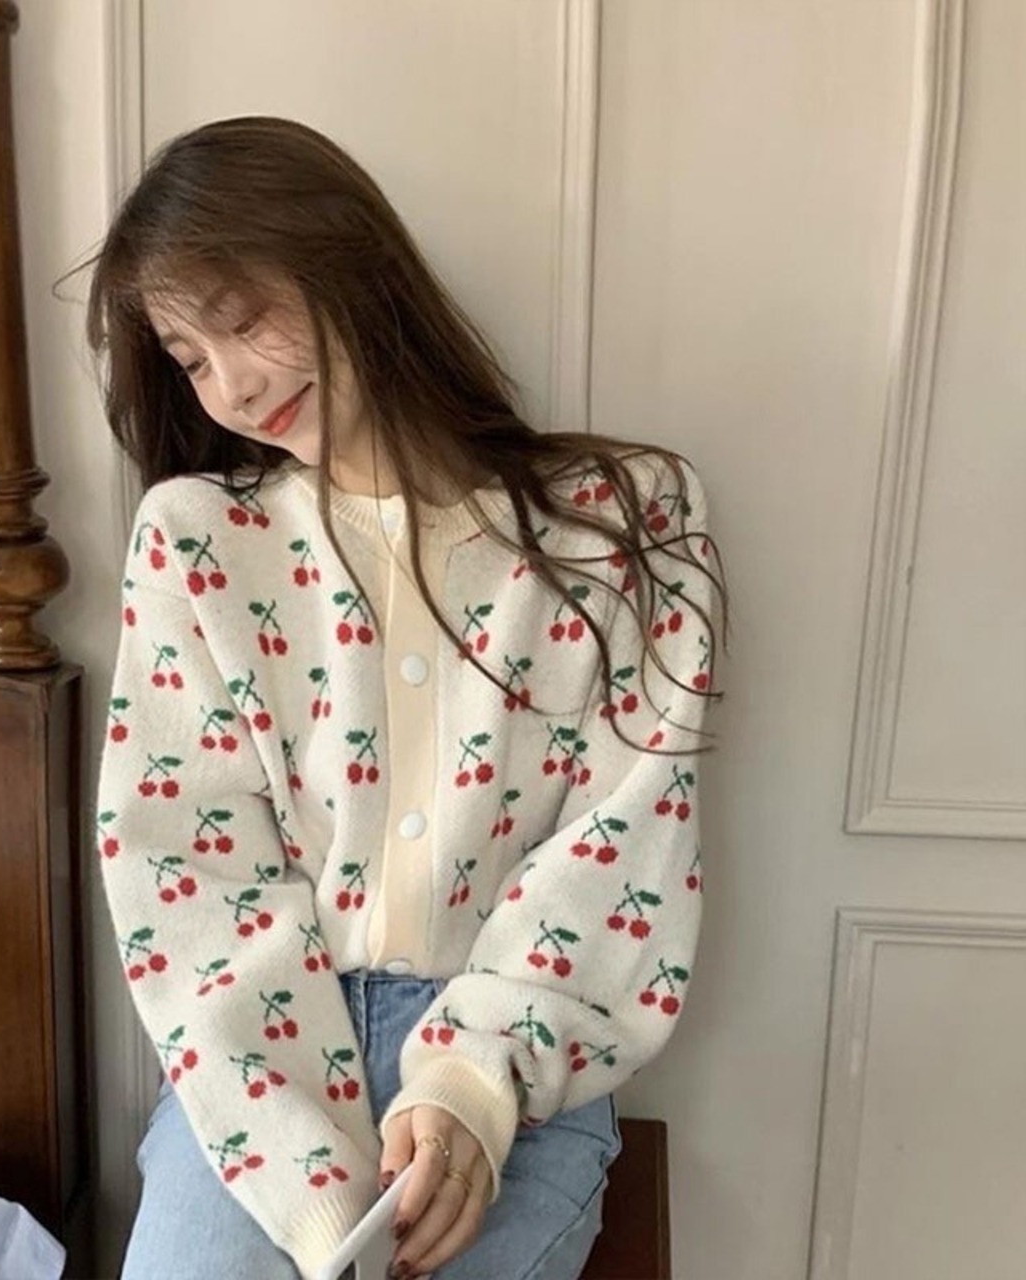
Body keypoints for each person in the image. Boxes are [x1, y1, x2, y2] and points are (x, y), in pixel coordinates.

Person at [88, 116, 724, 1280]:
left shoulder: (622, 521)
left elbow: (625, 838)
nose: (232, 384)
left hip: (525, 1065)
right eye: (188, 356)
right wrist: (303, 1184)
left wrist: (473, 1082)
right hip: (261, 1065)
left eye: (243, 318)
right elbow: (183, 866)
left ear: (349, 261)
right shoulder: (198, 541)